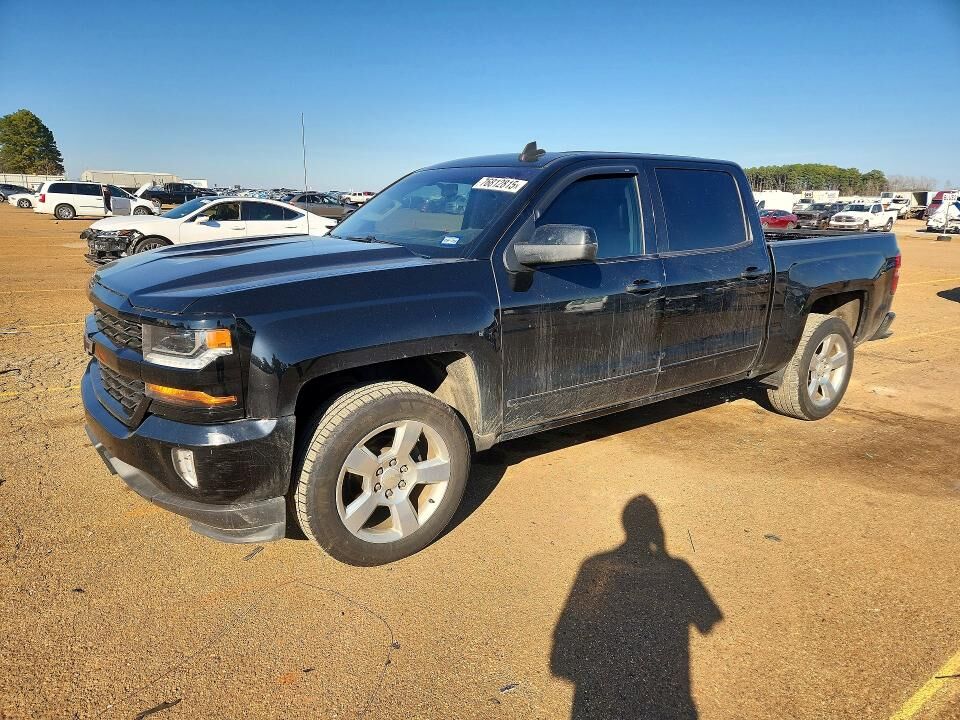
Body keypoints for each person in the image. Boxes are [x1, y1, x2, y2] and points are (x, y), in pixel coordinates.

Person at [551, 495, 722, 720]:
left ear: (625, 525)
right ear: (657, 527)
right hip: (666, 695)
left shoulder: (594, 565)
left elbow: (566, 638)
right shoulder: (678, 570)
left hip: (602, 698)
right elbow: (707, 621)